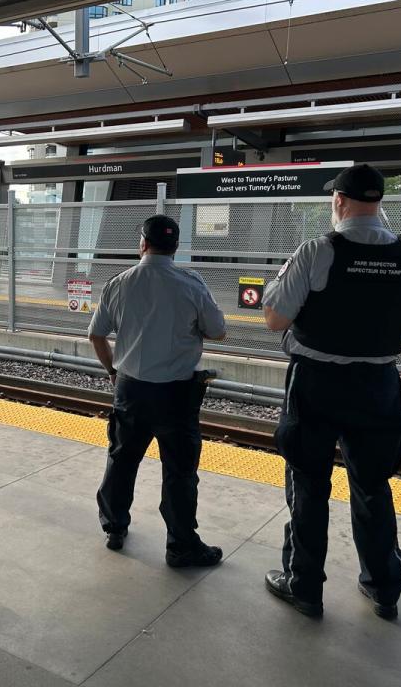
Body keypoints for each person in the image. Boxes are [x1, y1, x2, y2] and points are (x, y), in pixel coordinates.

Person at [262, 163, 401, 619]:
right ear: (379, 203)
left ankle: (304, 585)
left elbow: (274, 318)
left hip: (315, 383)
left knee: (309, 484)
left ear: (339, 202)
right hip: (377, 386)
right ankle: (383, 586)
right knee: (371, 485)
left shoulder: (316, 250)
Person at [89, 215, 227, 568]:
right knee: (179, 471)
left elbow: (97, 335)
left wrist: (112, 372)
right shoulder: (191, 284)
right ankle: (181, 545)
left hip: (130, 389)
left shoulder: (119, 283)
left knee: (122, 460)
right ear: (176, 246)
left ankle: (115, 527)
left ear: (142, 243)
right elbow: (218, 331)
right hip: (177, 396)